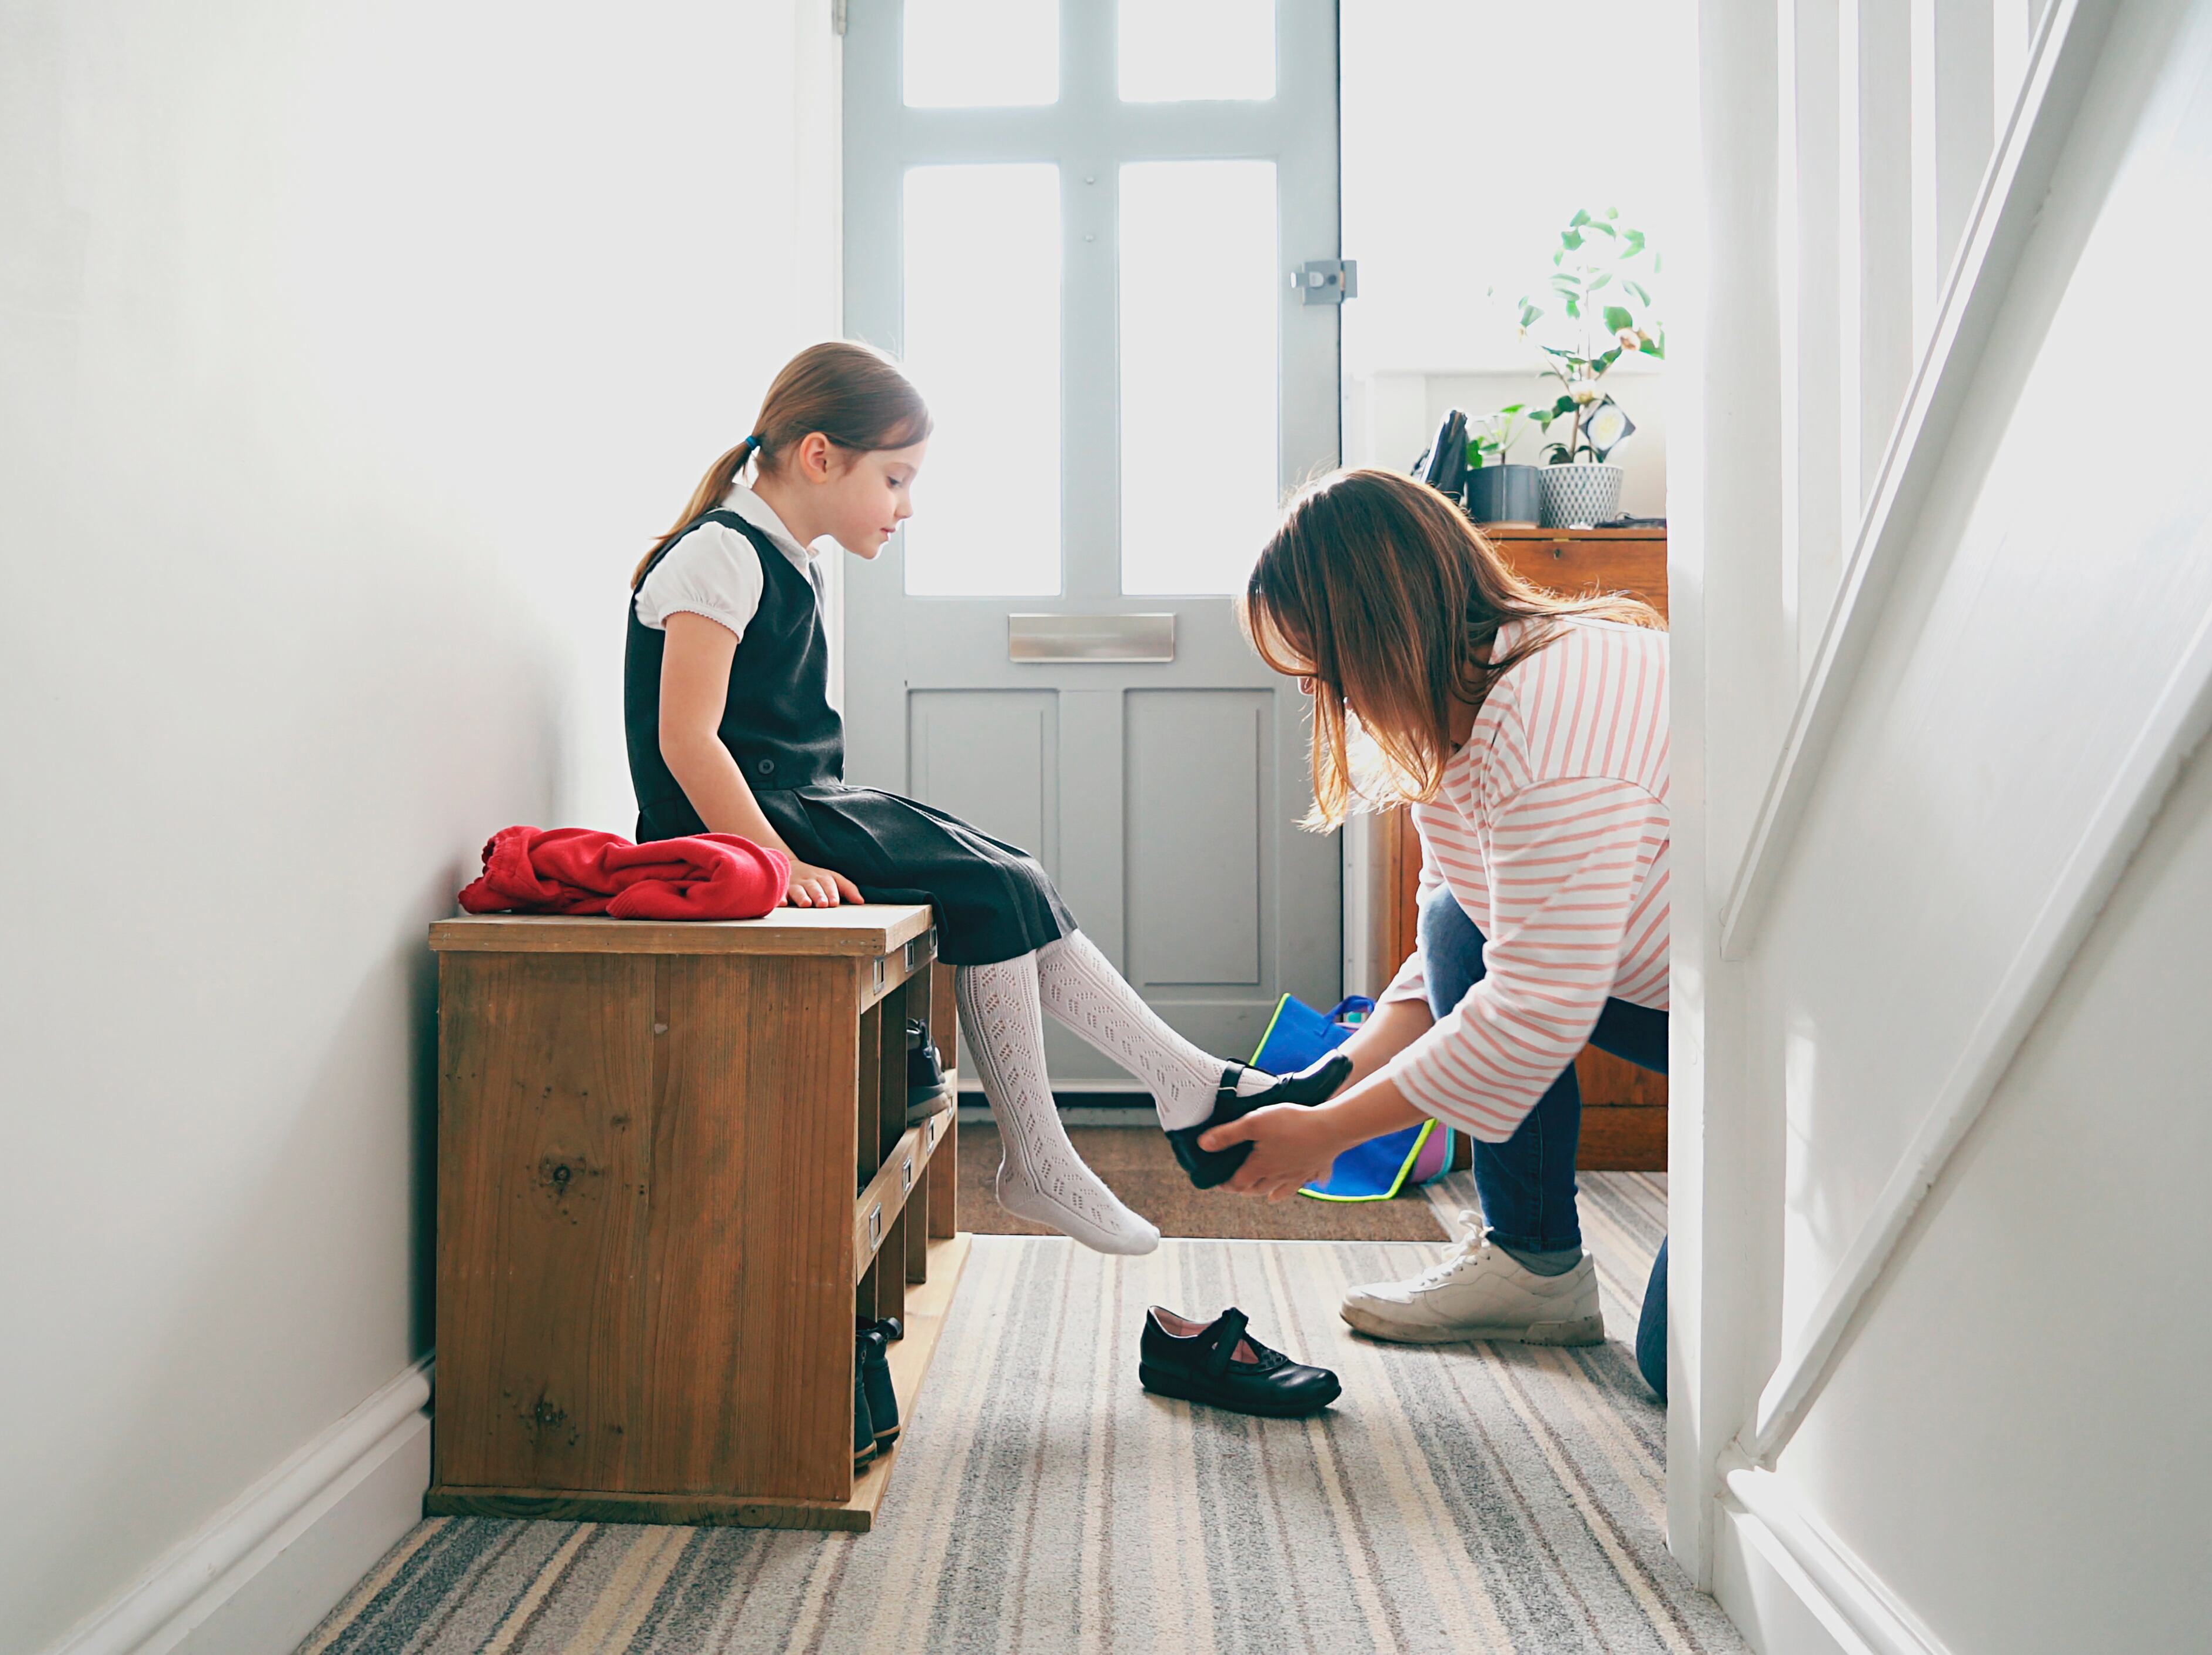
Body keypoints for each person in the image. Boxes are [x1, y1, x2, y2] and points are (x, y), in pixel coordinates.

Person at [624, 341, 1348, 1256]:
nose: (907, 505)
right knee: (992, 886)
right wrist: (780, 862)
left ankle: (1186, 1083)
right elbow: (686, 740)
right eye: (895, 479)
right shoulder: (721, 555)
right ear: (819, 456)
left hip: (799, 802)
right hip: (742, 827)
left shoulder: (785, 556)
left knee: (1009, 871)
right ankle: (1059, 1147)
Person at [1196, 467, 1674, 1391]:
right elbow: (1440, 966)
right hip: (1679, 998)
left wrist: (1329, 1134)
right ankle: (1533, 1266)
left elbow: (1531, 1012)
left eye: (1325, 670)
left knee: (1687, 1371)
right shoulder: (1462, 722)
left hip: (1786, 1041)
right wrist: (1318, 1085)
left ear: (1382, 635)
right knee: (1459, 921)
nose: (1324, 697)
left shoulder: (1552, 718)